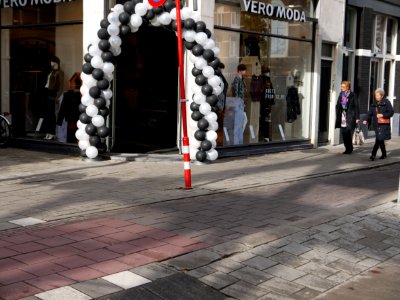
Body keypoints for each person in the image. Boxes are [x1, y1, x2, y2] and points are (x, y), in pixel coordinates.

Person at [362, 88, 394, 161]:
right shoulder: (374, 104)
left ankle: (373, 155)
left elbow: (391, 112)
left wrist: (382, 115)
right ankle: (384, 154)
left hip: (383, 125)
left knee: (379, 139)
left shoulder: (386, 102)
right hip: (377, 125)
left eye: (377, 95)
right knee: (380, 140)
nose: (376, 97)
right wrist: (365, 119)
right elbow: (369, 113)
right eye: (375, 95)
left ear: (382, 96)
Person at [335, 81, 359, 154]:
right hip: (342, 116)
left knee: (348, 133)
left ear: (348, 87)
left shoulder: (353, 95)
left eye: (343, 87)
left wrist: (357, 118)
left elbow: (356, 106)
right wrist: (340, 104)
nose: (342, 88)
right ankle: (347, 148)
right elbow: (338, 105)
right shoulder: (341, 94)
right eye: (341, 86)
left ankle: (350, 148)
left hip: (350, 117)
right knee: (343, 133)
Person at [231, 64, 247, 145]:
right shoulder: (237, 79)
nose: (245, 71)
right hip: (238, 104)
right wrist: (238, 104)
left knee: (243, 120)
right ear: (240, 70)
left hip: (241, 104)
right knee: (241, 120)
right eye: (244, 70)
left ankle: (238, 136)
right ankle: (236, 138)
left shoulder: (241, 79)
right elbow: (236, 93)